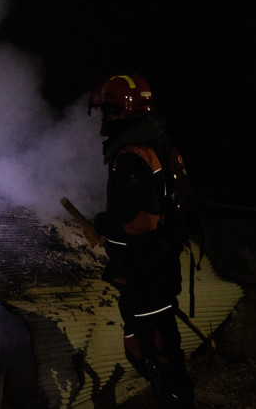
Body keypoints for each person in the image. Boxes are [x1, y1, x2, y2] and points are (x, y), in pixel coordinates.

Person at [88, 73, 197, 408]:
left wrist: (102, 224)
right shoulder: (155, 143)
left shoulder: (132, 155)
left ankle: (176, 400)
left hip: (145, 270)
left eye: (108, 111)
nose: (104, 119)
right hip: (155, 265)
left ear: (122, 111)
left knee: (158, 352)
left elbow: (143, 219)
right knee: (147, 344)